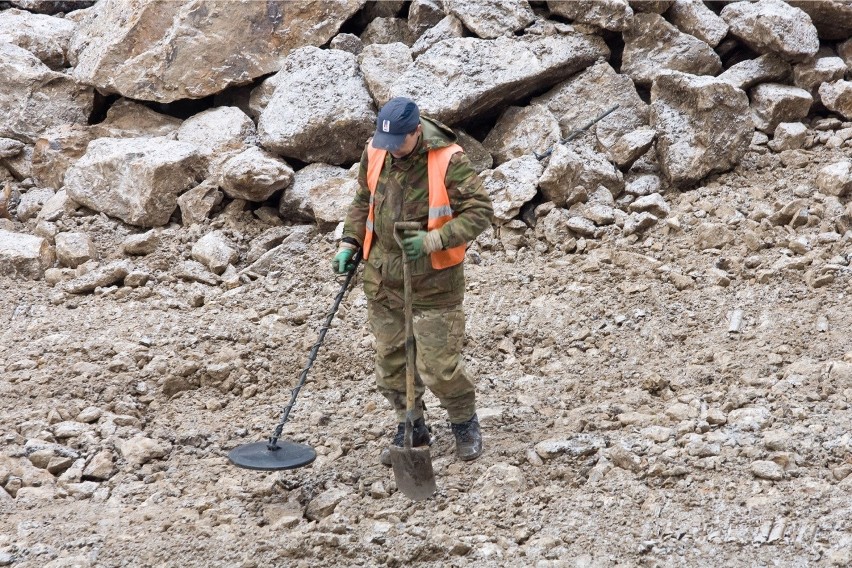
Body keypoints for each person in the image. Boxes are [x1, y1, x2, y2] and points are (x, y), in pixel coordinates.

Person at [332, 97, 493, 465]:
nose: (391, 151)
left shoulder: (448, 159)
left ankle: (464, 423)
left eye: (398, 144)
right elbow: (362, 201)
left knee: (438, 366)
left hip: (434, 284)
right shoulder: (375, 152)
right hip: (383, 279)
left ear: (416, 131)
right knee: (391, 364)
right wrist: (349, 241)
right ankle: (412, 424)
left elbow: (480, 212)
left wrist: (432, 240)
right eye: (385, 143)